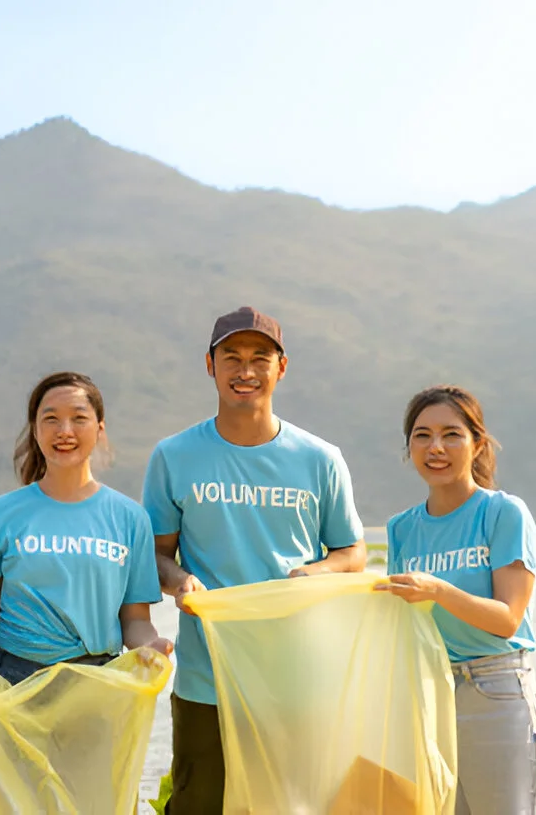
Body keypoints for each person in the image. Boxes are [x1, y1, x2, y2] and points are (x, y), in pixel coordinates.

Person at [143, 306, 368, 813]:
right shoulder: (173, 456)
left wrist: (316, 572)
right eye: (232, 357)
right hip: (207, 676)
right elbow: (155, 557)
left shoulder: (320, 458)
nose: (246, 371)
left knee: (295, 805)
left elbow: (353, 551)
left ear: (281, 367)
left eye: (260, 358)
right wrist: (181, 581)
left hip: (298, 677)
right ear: (210, 365)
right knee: (199, 804)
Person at [377, 385, 536, 814]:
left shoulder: (503, 513)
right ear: (409, 448)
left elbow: (508, 618)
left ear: (477, 444)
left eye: (451, 434)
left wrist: (438, 590)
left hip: (497, 693)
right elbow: (405, 625)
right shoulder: (401, 528)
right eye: (422, 435)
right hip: (431, 696)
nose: (436, 447)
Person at [0, 371, 172, 685]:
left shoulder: (130, 518)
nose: (64, 431)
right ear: (35, 431)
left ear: (99, 429)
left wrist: (150, 647)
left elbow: (135, 620)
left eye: (79, 418)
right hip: (16, 682)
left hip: (98, 682)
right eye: (51, 419)